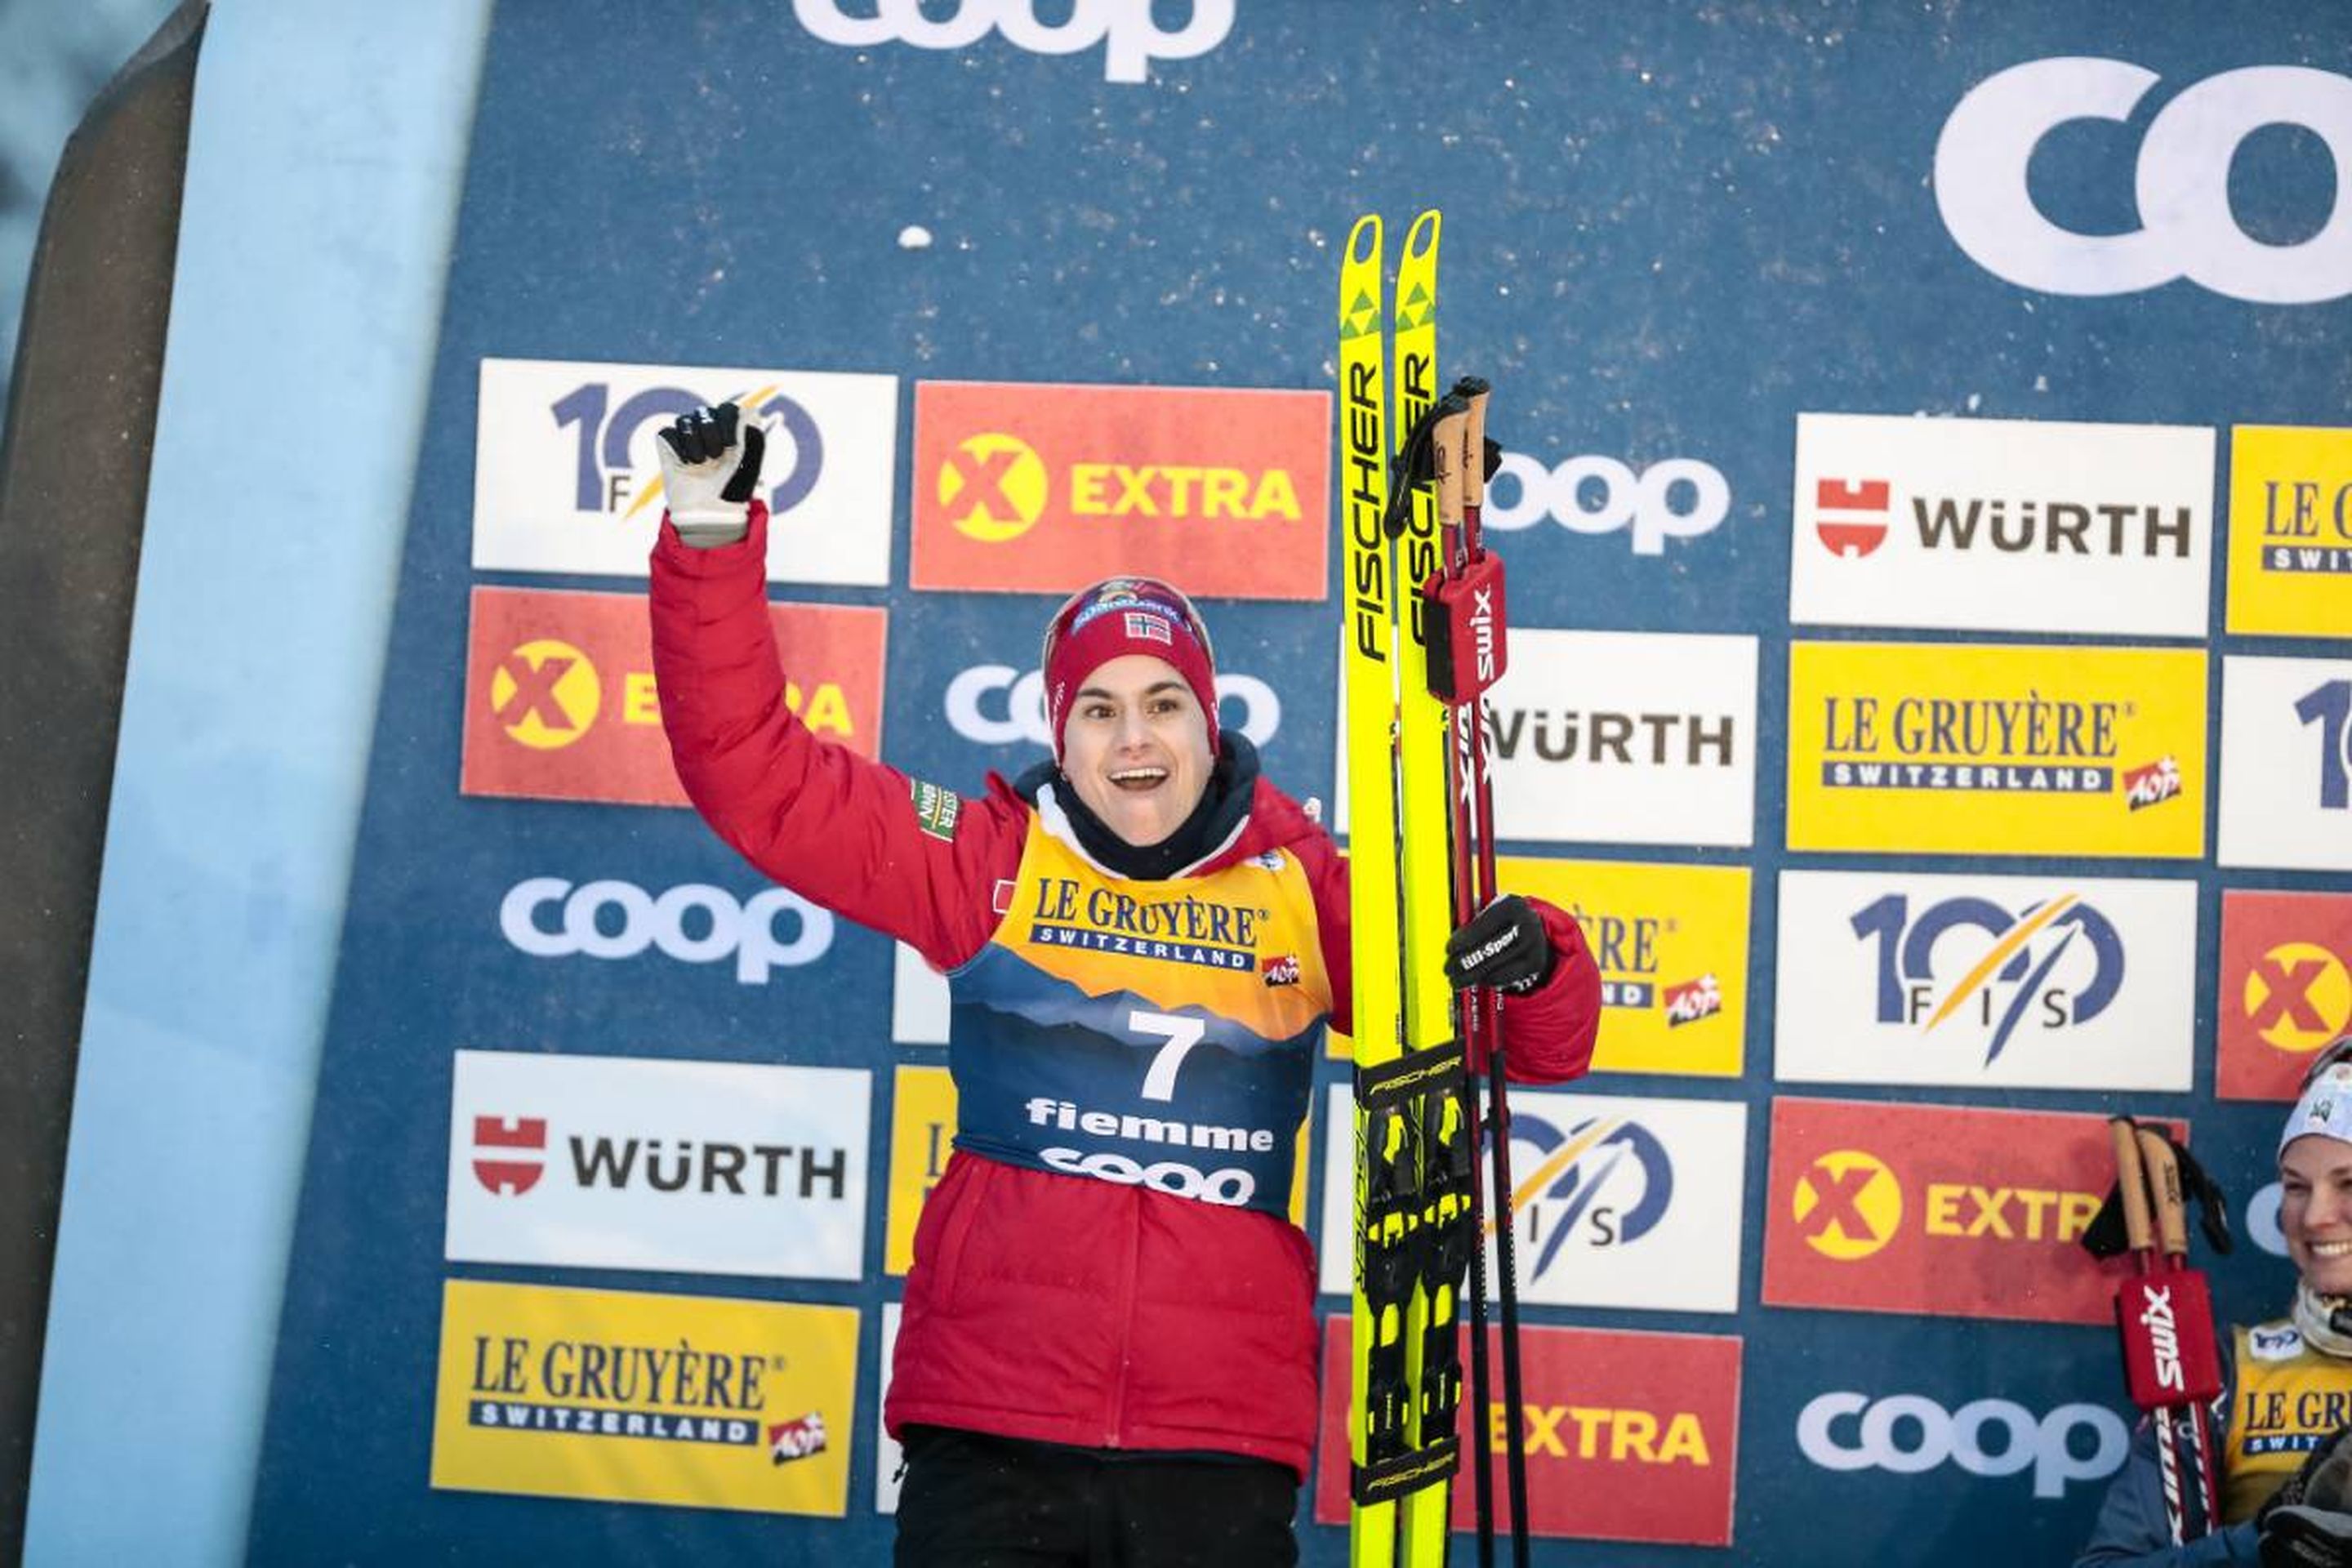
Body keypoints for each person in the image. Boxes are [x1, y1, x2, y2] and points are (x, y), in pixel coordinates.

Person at [645, 403, 1602, 1566]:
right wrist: (707, 536)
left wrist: (1538, 954)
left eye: (1163, 704)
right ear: (1062, 733)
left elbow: (1528, 1043)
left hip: (1216, 1441)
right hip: (992, 1431)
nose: (1132, 739)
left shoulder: (1309, 888)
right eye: (1098, 710)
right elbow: (757, 778)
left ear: (1208, 722)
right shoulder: (987, 863)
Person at [2078, 1037, 2352, 1566]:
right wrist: (2262, 1545)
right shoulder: (2227, 1369)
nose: (2315, 1216)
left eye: (2348, 1184)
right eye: (2296, 1187)